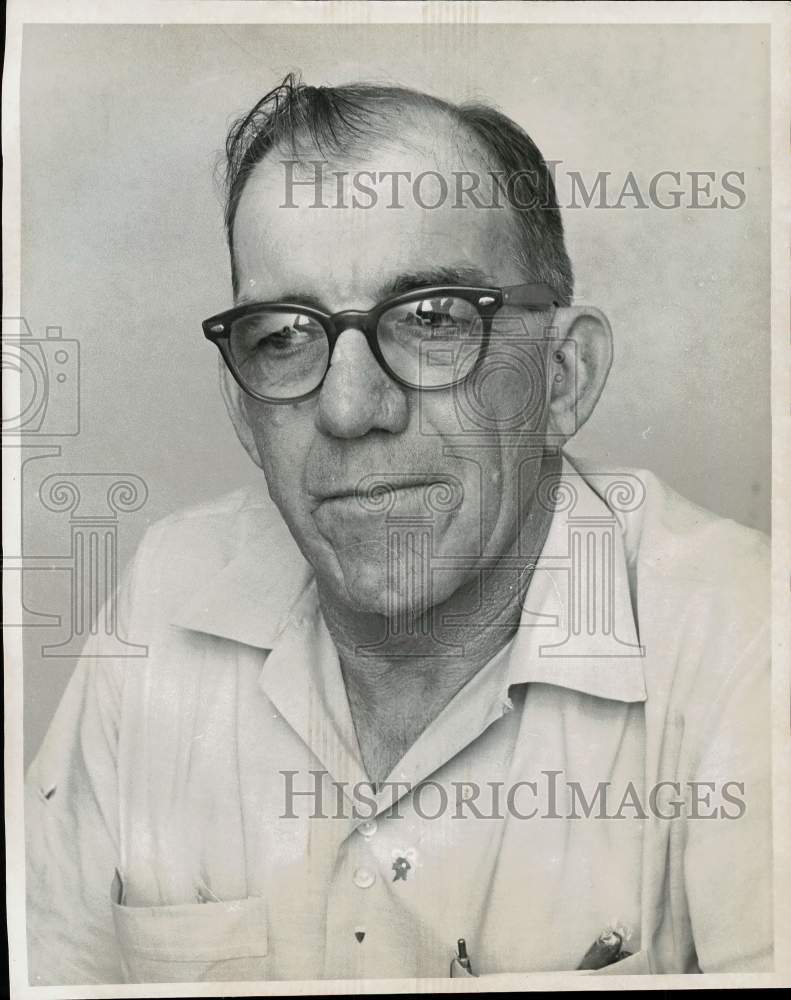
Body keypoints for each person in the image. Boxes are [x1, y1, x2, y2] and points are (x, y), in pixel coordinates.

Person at [25, 74, 772, 984]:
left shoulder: (748, 641)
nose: (348, 407)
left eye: (430, 319)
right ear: (240, 408)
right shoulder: (165, 601)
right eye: (285, 336)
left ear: (563, 377)